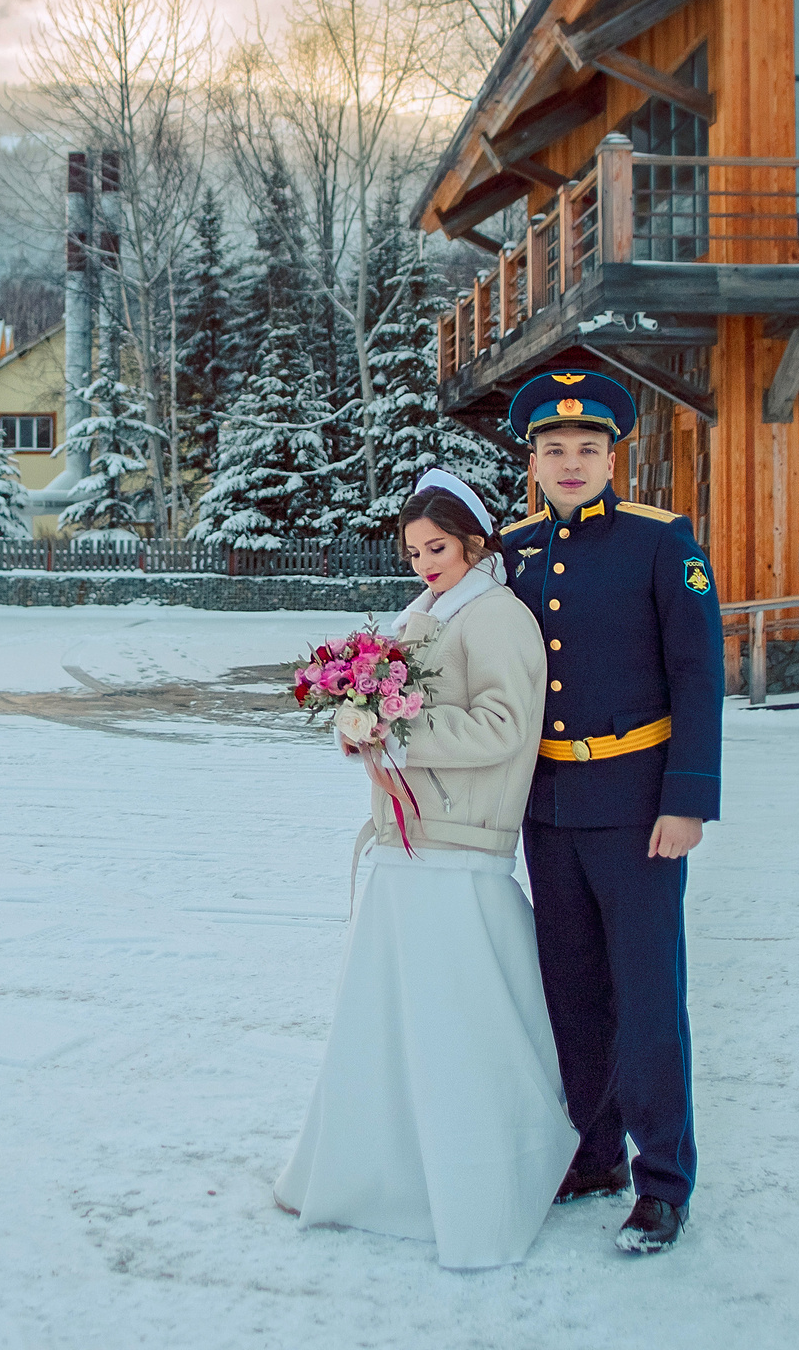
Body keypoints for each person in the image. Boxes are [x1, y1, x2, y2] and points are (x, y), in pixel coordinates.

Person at [274, 468, 578, 1269]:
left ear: (475, 540)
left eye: (435, 547)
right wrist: (358, 724)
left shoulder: (499, 614)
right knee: (390, 1022)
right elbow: (392, 707)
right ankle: (373, 1173)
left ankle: (476, 1183)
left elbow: (508, 727)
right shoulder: (421, 615)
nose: (422, 563)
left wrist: (398, 727)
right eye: (411, 551)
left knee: (457, 1027)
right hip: (405, 844)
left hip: (460, 842)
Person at [499, 368, 722, 1256]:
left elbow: (698, 676)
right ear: (534, 460)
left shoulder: (661, 544)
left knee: (647, 996)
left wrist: (689, 800)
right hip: (546, 808)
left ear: (611, 456)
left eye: (587, 449)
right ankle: (594, 1155)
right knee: (573, 993)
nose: (571, 462)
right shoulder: (509, 551)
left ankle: (664, 1179)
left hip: (638, 809)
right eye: (554, 450)